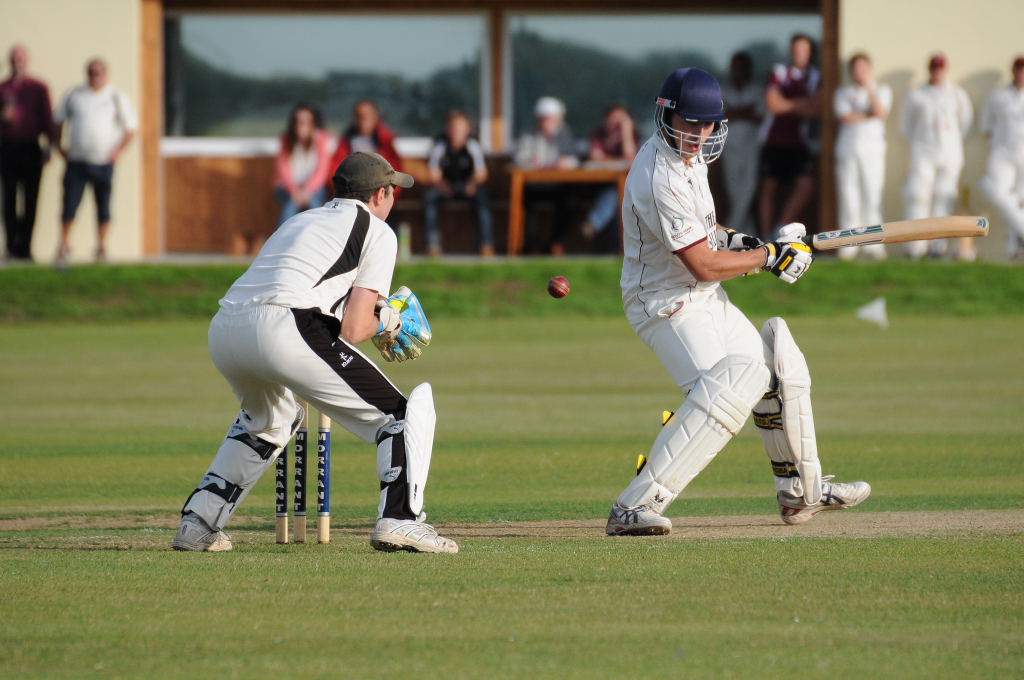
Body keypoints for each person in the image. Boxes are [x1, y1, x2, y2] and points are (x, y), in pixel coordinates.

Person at [605, 67, 870, 536]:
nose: (700, 134)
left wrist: (745, 241)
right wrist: (768, 257)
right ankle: (635, 505)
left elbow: (706, 233)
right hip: (664, 303)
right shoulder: (657, 175)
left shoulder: (690, 159)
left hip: (705, 298)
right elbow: (702, 264)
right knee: (735, 384)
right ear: (665, 115)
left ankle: (801, 491)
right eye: (691, 123)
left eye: (708, 124)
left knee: (778, 366)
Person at [172, 152, 457, 554]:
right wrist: (388, 322)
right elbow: (355, 329)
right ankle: (400, 520)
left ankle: (198, 523)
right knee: (398, 416)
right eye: (393, 191)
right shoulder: (378, 231)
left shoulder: (301, 219)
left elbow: (318, 294)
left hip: (226, 328)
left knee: (271, 420)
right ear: (379, 194)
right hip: (285, 327)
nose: (394, 198)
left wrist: (376, 314)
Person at [52, 58, 136, 264]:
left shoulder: (116, 97)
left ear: (106, 74)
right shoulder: (74, 95)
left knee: (103, 206)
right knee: (69, 204)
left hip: (102, 162)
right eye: (91, 72)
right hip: (77, 161)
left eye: (99, 72)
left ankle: (101, 247)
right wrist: (59, 146)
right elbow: (57, 121)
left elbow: (131, 129)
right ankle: (63, 244)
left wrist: (118, 151)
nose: (95, 76)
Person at [900, 54, 973, 259]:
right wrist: (918, 142)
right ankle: (915, 246)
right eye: (934, 68)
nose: (937, 72)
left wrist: (953, 141)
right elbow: (905, 125)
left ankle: (938, 246)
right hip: (923, 150)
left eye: (940, 68)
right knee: (918, 193)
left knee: (944, 194)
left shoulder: (956, 94)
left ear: (945, 70)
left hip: (950, 152)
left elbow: (966, 123)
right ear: (929, 69)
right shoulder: (916, 94)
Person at [758, 34, 820, 242]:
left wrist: (786, 103)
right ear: (791, 51)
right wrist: (801, 103)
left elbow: (815, 109)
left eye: (804, 50)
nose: (800, 54)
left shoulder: (814, 76)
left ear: (810, 53)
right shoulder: (780, 72)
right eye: (796, 50)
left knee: (806, 185)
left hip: (798, 141)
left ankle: (780, 231)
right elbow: (772, 104)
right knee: (768, 187)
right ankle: (765, 238)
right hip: (773, 139)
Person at [833, 53, 893, 261]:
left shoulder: (882, 90)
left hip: (873, 150)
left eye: (863, 68)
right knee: (848, 195)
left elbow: (880, 112)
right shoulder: (843, 92)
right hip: (848, 148)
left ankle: (873, 243)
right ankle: (848, 244)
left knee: (872, 194)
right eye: (855, 69)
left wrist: (868, 88)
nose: (859, 72)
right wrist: (868, 114)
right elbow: (845, 117)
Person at [0, 45, 53, 261]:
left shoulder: (38, 87)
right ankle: (11, 246)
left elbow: (47, 118)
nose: (18, 61)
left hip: (31, 148)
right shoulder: (3, 88)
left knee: (30, 200)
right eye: (14, 58)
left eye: (21, 58)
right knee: (9, 200)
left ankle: (26, 248)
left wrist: (49, 147)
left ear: (27, 61)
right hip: (7, 148)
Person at [514, 96, 579, 255]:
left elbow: (575, 159)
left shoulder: (565, 133)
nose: (546, 122)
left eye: (550, 118)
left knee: (571, 201)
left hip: (558, 185)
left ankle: (556, 242)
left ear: (558, 118)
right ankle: (532, 243)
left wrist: (566, 162)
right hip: (534, 185)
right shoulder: (528, 133)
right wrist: (530, 161)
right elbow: (518, 158)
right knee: (521, 199)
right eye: (543, 118)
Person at [423, 110, 493, 257]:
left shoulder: (473, 144)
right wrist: (441, 185)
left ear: (467, 130)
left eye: (460, 128)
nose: (456, 132)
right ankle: (432, 245)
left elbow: (482, 174)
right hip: (445, 187)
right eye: (453, 128)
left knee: (483, 198)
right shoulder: (440, 144)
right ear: (447, 129)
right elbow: (432, 173)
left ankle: (486, 245)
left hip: (469, 187)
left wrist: (472, 183)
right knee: (429, 197)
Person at [979, 56, 1024, 259]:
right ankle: (1016, 243)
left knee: (1020, 199)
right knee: (997, 192)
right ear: (1013, 70)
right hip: (1003, 150)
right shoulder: (998, 95)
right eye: (1019, 69)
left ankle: (1016, 248)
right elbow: (986, 125)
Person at [581, 105, 638, 248]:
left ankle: (593, 223)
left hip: (630, 186)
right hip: (598, 184)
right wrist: (618, 160)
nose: (616, 125)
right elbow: (594, 157)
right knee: (615, 196)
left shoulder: (635, 136)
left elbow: (631, 160)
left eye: (621, 121)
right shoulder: (598, 135)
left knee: (616, 195)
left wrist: (626, 134)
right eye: (613, 121)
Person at [720, 51, 764, 233]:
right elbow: (721, 117)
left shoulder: (758, 90)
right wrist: (745, 111)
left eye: (742, 67)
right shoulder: (723, 90)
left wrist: (735, 112)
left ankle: (728, 233)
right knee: (736, 196)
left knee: (748, 192)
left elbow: (761, 117)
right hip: (729, 148)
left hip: (752, 148)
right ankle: (747, 239)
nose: (738, 70)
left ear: (748, 68)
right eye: (735, 67)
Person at [274, 103, 332, 229]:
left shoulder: (321, 139)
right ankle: (283, 236)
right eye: (297, 121)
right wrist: (294, 190)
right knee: (291, 203)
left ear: (313, 124)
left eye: (304, 122)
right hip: (287, 188)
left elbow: (321, 171)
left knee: (314, 205)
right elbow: (283, 170)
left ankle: (318, 233)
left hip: (314, 188)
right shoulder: (285, 140)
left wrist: (306, 190)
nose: (299, 126)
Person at [329, 100, 403, 186]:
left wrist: (385, 191)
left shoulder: (385, 142)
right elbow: (335, 172)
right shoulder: (344, 143)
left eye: (367, 116)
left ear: (376, 118)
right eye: (359, 116)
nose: (363, 119)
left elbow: (396, 174)